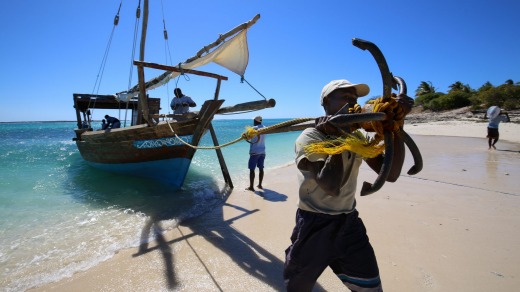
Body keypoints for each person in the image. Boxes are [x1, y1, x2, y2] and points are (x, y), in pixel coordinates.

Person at [284, 79, 409, 291]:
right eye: (345, 97)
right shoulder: (311, 136)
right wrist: (335, 137)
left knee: (370, 286)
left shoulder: (356, 136)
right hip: (314, 223)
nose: (352, 103)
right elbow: (331, 186)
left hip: (349, 223)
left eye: (355, 98)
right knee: (298, 286)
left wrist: (395, 126)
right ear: (326, 102)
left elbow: (391, 173)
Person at [245, 116, 266, 191]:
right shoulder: (265, 127)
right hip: (262, 151)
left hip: (254, 152)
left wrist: (245, 135)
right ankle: (260, 185)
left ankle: (251, 187)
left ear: (255, 121)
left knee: (252, 170)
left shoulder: (253, 128)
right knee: (261, 168)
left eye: (253, 120)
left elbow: (247, 137)